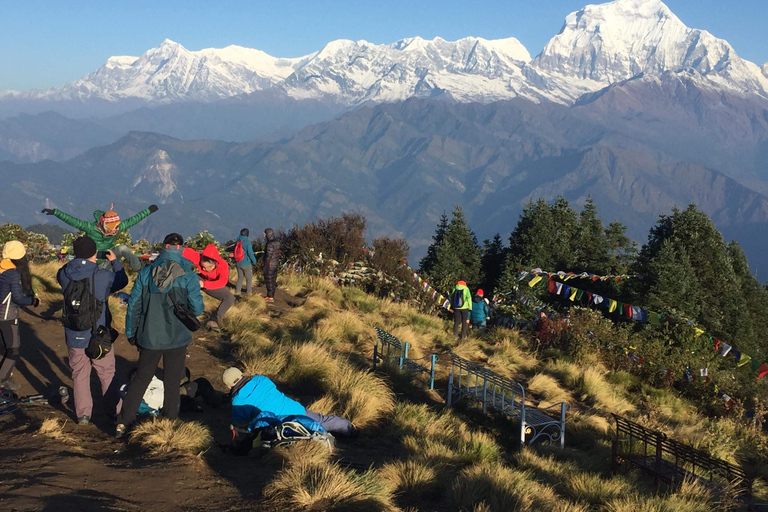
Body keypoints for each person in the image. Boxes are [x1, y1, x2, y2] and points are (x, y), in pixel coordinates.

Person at [116, 233, 204, 439]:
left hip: (149, 336)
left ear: (163, 247)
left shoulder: (146, 273)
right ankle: (170, 423)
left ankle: (124, 422)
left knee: (141, 379)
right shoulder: (189, 275)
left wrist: (131, 332)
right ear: (181, 248)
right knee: (173, 381)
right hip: (178, 337)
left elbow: (134, 306)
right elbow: (197, 309)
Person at [57, 237, 128, 425]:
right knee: (106, 373)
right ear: (94, 252)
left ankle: (83, 415)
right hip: (99, 334)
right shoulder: (102, 275)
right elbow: (122, 281)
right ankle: (114, 412)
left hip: (74, 333)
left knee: (80, 374)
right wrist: (114, 261)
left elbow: (61, 274)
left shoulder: (65, 274)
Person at [224, 367, 356, 436]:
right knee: (322, 421)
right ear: (241, 374)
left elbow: (240, 422)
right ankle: (349, 429)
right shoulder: (261, 379)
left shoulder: (237, 403)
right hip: (295, 410)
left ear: (229, 386)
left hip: (275, 427)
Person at [42, 203, 158, 271]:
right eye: (110, 227)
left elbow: (134, 219)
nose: (113, 230)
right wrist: (55, 212)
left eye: (116, 227)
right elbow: (73, 221)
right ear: (103, 224)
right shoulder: (90, 227)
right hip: (91, 257)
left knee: (122, 248)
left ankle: (138, 267)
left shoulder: (117, 227)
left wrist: (149, 211)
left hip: (108, 257)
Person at [0, 241, 41, 391]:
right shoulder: (14, 273)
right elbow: (18, 298)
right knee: (13, 349)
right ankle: (2, 381)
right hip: (7, 316)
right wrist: (33, 300)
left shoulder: (2, 268)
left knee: (4, 348)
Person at [183, 244, 233, 331]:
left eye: (207, 267)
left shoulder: (223, 265)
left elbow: (222, 282)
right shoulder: (198, 257)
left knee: (230, 298)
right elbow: (185, 251)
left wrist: (205, 284)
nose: (204, 269)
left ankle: (213, 320)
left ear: (215, 264)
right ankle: (184, 312)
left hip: (211, 284)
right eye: (202, 266)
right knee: (188, 277)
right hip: (199, 278)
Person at [234, 228, 258, 296]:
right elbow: (250, 253)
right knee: (248, 278)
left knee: (240, 278)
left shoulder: (237, 242)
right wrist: (254, 261)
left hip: (238, 263)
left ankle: (238, 291)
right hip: (246, 263)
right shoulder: (247, 243)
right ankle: (249, 293)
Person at [449, 276, 472, 340]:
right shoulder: (466, 289)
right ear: (465, 281)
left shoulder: (455, 288)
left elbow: (451, 297)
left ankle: (455, 335)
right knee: (464, 322)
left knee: (456, 321)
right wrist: (470, 308)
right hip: (465, 308)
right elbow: (469, 299)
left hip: (456, 307)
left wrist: (452, 306)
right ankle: (463, 336)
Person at [263, 228, 279, 302]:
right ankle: (270, 294)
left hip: (269, 264)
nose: (264, 235)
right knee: (273, 280)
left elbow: (268, 255)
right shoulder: (277, 242)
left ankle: (270, 297)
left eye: (265, 234)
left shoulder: (269, 244)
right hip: (275, 263)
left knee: (268, 280)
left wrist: (265, 263)